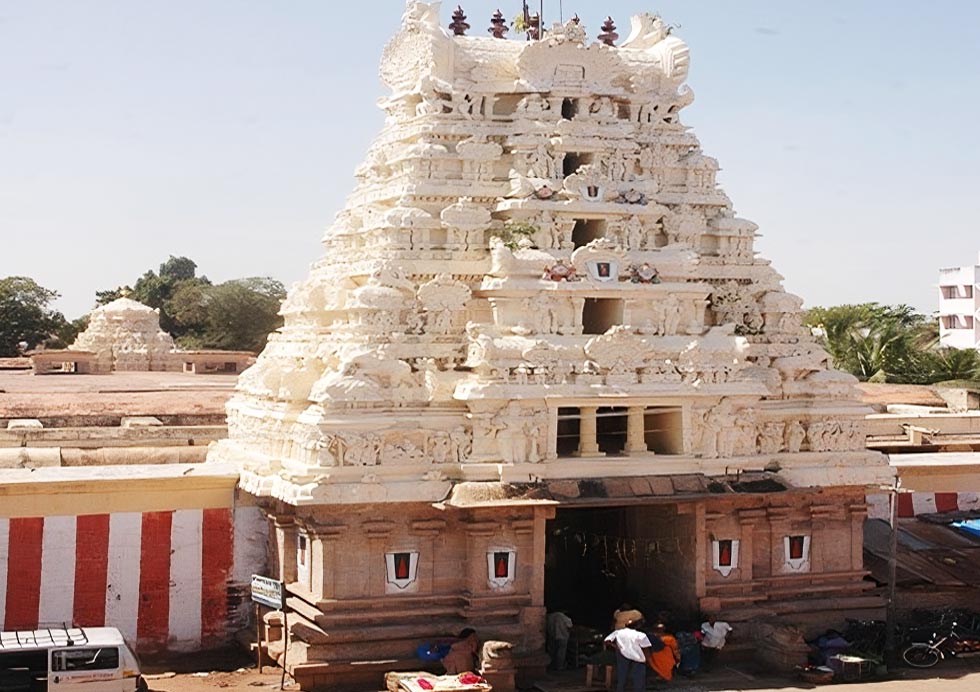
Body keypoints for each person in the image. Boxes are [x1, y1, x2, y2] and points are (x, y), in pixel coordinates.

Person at [604, 620, 652, 692]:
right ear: (637, 626)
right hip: (637, 657)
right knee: (638, 678)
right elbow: (646, 648)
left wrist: (616, 647)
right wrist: (648, 659)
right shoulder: (641, 635)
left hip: (622, 654)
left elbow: (606, 641)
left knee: (622, 676)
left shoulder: (618, 632)